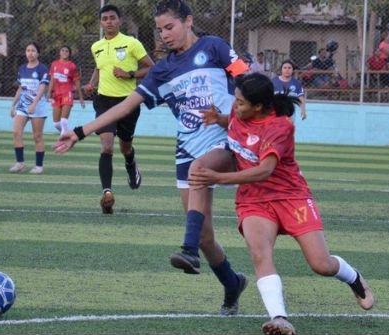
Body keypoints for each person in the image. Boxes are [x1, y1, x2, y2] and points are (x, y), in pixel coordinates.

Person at [58, 0, 249, 316]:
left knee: (200, 174)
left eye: (169, 27)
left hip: (225, 139)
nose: (164, 35)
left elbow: (246, 77)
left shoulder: (213, 47)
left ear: (188, 21)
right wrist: (80, 131)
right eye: (160, 30)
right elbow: (125, 105)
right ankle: (232, 283)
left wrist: (251, 111)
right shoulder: (162, 69)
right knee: (205, 235)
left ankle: (188, 250)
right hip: (187, 148)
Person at [192, 72, 374, 335]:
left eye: (241, 102)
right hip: (254, 199)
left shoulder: (280, 127)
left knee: (321, 264)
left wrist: (218, 178)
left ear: (258, 106)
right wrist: (216, 118)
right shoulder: (238, 110)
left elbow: (264, 170)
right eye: (235, 100)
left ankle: (354, 278)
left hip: (291, 196)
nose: (235, 105)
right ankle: (279, 318)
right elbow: (233, 122)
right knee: (260, 255)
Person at [82, 4, 154, 214]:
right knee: (106, 147)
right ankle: (107, 193)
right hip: (104, 101)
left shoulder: (132, 43)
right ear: (100, 23)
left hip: (128, 102)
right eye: (105, 19)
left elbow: (151, 67)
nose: (109, 22)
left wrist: (130, 74)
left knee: (125, 147)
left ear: (120, 21)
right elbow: (99, 68)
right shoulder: (96, 46)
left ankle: (131, 163)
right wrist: (91, 84)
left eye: (112, 18)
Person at [9, 43, 51, 174]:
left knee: (37, 136)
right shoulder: (22, 68)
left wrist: (34, 104)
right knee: (16, 132)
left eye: (33, 50)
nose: (30, 53)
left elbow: (42, 87)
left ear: (38, 53)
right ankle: (20, 163)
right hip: (22, 106)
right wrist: (13, 105)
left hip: (37, 106)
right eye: (28, 50)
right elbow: (21, 88)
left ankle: (39, 166)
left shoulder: (42, 68)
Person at [49, 46, 85, 137]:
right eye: (63, 50)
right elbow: (52, 79)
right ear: (59, 52)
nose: (64, 52)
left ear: (69, 54)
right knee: (56, 124)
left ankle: (63, 139)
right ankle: (68, 133)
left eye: (67, 51)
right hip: (56, 95)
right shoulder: (54, 64)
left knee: (63, 121)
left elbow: (77, 82)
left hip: (67, 94)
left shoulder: (71, 66)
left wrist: (81, 97)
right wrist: (49, 92)